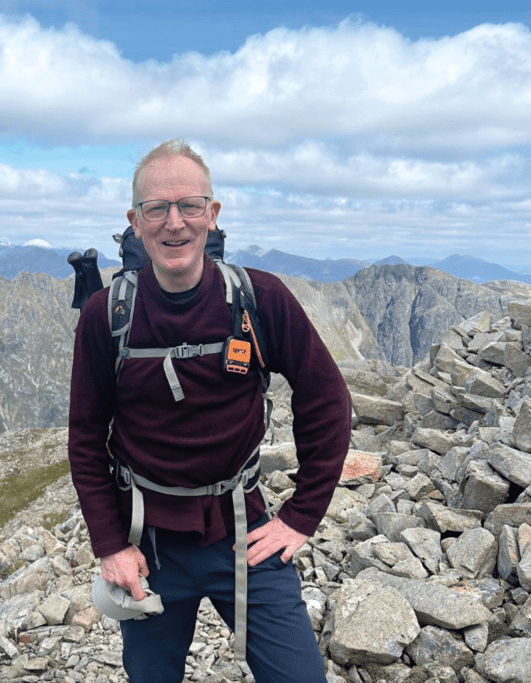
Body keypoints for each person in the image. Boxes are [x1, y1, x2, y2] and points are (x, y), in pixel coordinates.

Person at [68, 139, 351, 683]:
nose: (174, 223)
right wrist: (109, 545)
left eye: (189, 206)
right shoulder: (107, 315)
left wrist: (300, 516)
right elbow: (84, 440)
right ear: (136, 220)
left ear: (212, 214)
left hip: (242, 528)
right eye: (157, 208)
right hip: (145, 542)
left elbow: (328, 401)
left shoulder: (259, 298)